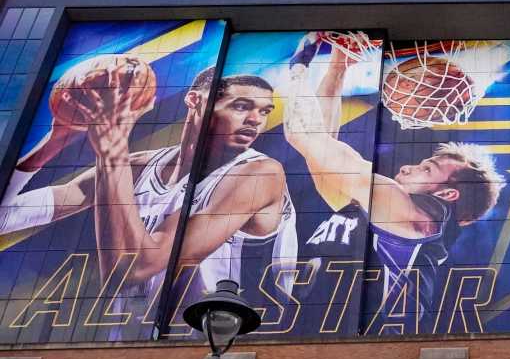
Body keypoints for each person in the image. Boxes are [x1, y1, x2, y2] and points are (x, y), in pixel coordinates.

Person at [0, 63, 296, 318]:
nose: (256, 120)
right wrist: (56, 139)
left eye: (264, 111)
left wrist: (111, 156)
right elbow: (6, 217)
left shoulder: (259, 174)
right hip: (126, 351)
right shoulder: (137, 167)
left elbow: (132, 270)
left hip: (214, 353)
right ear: (195, 100)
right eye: (241, 106)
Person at [284, 32, 506, 327]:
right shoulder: (386, 216)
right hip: (332, 348)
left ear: (448, 194)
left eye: (427, 169)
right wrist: (339, 66)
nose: (405, 168)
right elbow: (321, 154)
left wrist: (299, 66)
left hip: (370, 356)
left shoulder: (406, 212)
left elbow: (303, 134)